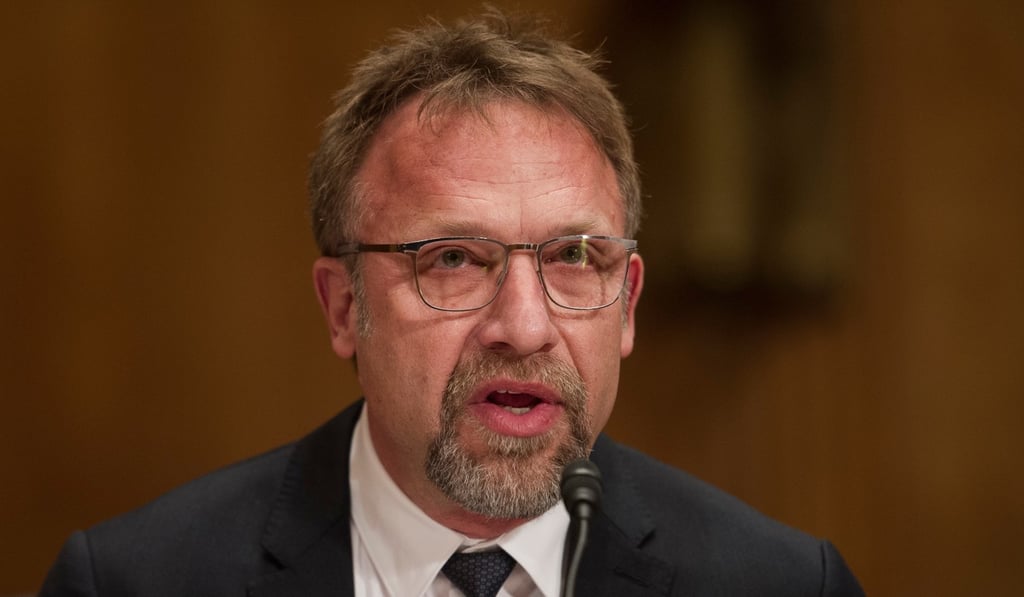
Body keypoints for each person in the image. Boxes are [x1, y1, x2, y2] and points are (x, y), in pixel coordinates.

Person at [40, 9, 864, 597]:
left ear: (629, 303)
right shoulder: (136, 580)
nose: (524, 326)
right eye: (454, 259)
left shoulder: (781, 582)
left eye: (575, 257)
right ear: (341, 306)